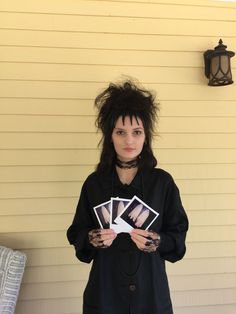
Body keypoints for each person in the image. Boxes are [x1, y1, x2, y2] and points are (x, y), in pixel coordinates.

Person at [67, 79, 189, 314]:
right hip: (104, 294)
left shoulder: (162, 183)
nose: (129, 140)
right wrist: (92, 237)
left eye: (137, 132)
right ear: (110, 136)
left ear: (146, 136)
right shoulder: (95, 184)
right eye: (120, 132)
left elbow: (178, 238)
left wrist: (158, 241)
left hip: (150, 295)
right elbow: (76, 232)